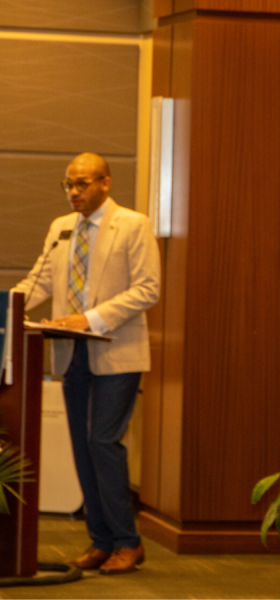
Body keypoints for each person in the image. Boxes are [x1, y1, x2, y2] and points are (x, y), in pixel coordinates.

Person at [14, 153, 160, 575]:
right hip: (70, 351)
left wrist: (90, 319)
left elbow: (148, 289)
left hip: (117, 350)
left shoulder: (133, 225)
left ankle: (128, 542)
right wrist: (10, 306)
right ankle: (101, 541)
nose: (73, 192)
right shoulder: (60, 229)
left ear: (106, 183)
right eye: (68, 185)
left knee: (102, 442)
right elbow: (39, 280)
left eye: (81, 184)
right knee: (81, 444)